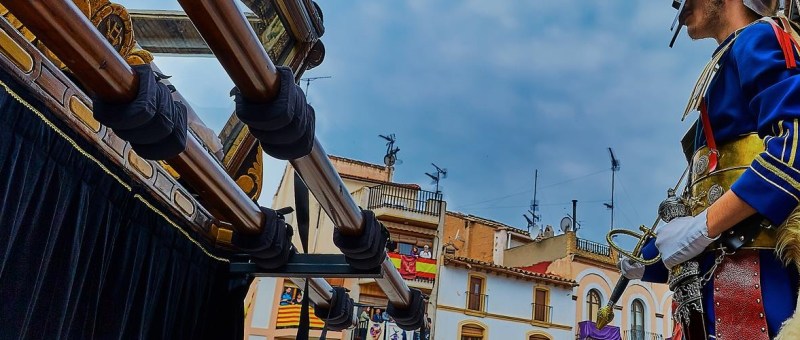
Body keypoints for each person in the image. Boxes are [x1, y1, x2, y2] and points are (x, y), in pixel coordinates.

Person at [620, 1, 800, 338]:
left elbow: (795, 150)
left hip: (756, 280)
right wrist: (651, 258)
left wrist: (702, 226)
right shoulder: (727, 60)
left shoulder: (757, 39)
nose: (678, 5)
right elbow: (713, 191)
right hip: (721, 281)